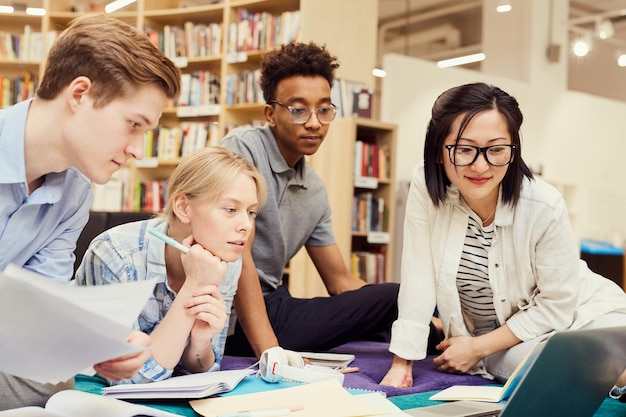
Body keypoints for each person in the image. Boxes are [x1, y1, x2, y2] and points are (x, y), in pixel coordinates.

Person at [380, 82, 626, 397]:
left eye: (496, 149)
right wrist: (403, 362)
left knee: (605, 360)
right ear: (438, 151)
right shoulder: (425, 184)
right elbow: (418, 271)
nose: (480, 166)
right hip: (509, 341)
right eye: (464, 149)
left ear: (513, 151)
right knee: (542, 372)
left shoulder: (544, 204)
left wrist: (475, 348)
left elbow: (557, 305)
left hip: (587, 313)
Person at [0, 14, 180, 409]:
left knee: (53, 384)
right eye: (133, 124)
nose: (136, 149)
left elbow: (36, 309)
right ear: (79, 93)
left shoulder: (75, 195)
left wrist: (99, 345)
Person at [220, 41, 442, 359]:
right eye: (298, 110)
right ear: (270, 113)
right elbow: (238, 258)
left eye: (324, 109)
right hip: (230, 314)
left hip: (276, 304)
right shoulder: (243, 150)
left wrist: (410, 310)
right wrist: (270, 351)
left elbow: (339, 280)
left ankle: (445, 335)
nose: (314, 122)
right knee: (396, 298)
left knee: (406, 300)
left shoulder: (314, 190)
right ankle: (439, 333)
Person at [74, 146, 267, 384]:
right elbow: (131, 381)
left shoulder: (223, 259)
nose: (246, 225)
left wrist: (199, 342)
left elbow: (202, 371)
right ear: (184, 207)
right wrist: (193, 286)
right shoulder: (113, 253)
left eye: (251, 212)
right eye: (231, 209)